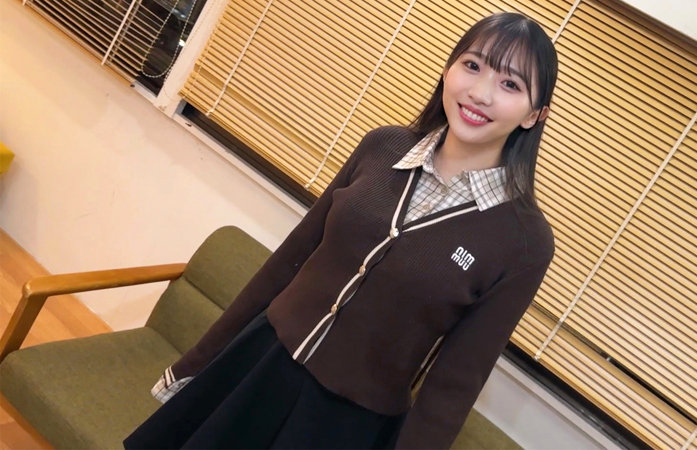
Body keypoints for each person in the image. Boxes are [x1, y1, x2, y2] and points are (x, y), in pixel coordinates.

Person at [124, 10, 558, 450]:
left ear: (534, 115)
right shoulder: (383, 146)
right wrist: (197, 361)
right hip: (258, 363)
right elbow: (288, 261)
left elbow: (455, 383)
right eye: (473, 65)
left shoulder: (524, 243)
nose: (480, 92)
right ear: (448, 69)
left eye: (510, 84)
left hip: (344, 425)